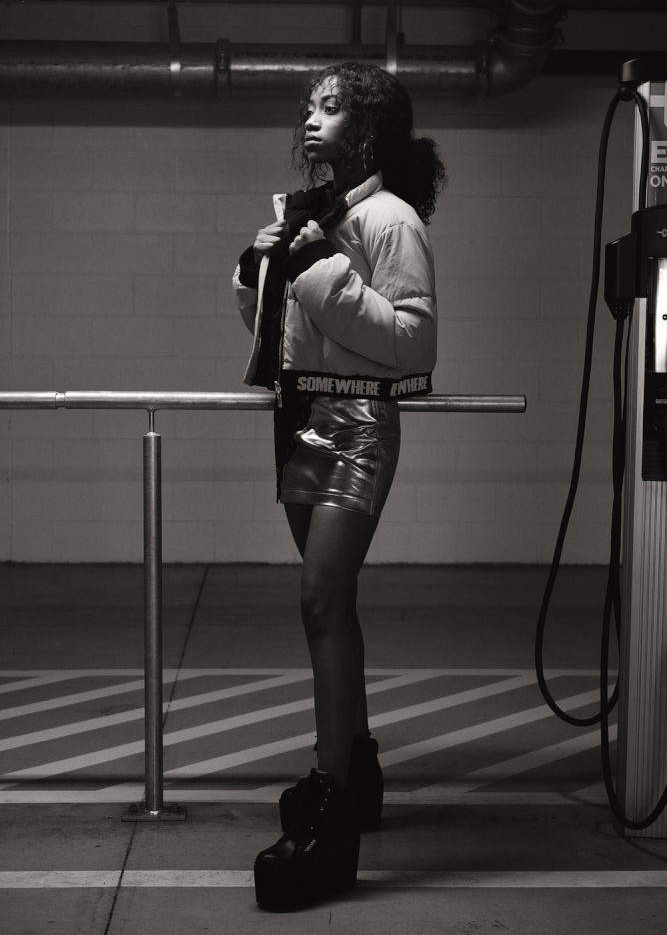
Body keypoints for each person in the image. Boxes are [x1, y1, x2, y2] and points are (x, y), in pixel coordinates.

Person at [232, 61, 446, 911]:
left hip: (355, 425)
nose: (310, 119)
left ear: (367, 126)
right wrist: (258, 272)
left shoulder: (389, 219)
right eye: (307, 108)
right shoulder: (319, 213)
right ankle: (354, 769)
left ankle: (331, 802)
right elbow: (283, 335)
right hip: (298, 419)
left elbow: (414, 342)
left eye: (329, 107)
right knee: (331, 606)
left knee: (319, 599)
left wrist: (318, 267)